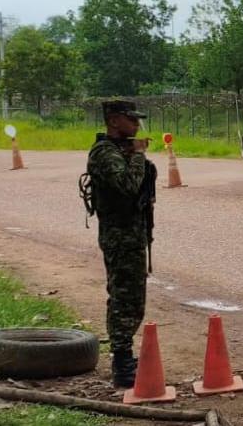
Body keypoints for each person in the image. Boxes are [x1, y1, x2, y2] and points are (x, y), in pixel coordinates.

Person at [85, 100, 156, 387]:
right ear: (113, 120)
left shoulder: (119, 150)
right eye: (130, 119)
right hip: (119, 236)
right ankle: (122, 363)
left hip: (132, 234)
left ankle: (125, 358)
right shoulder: (104, 153)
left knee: (133, 298)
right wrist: (138, 155)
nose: (137, 123)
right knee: (124, 298)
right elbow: (127, 186)